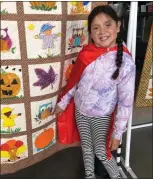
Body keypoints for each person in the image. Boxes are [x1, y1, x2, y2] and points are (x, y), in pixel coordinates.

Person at [53, 5, 135, 179]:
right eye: (95, 27)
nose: (102, 31)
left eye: (107, 25)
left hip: (102, 115)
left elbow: (126, 101)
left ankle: (116, 176)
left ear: (118, 26)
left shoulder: (126, 63)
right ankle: (89, 176)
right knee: (87, 147)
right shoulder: (85, 54)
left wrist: (118, 133)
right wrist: (63, 102)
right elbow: (74, 82)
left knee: (101, 150)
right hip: (80, 111)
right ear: (90, 33)